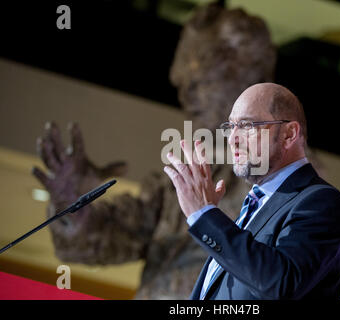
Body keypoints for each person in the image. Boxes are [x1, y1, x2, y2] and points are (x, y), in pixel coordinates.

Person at [31, 3, 277, 299]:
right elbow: (107, 241)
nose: (186, 95)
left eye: (200, 81)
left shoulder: (287, 171)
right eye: (181, 82)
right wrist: (73, 204)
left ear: (247, 74)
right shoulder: (181, 173)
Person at [163, 82, 340, 300]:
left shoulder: (321, 202)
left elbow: (281, 283)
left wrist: (205, 216)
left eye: (246, 126)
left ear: (289, 134)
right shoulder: (254, 206)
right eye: (230, 127)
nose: (233, 139)